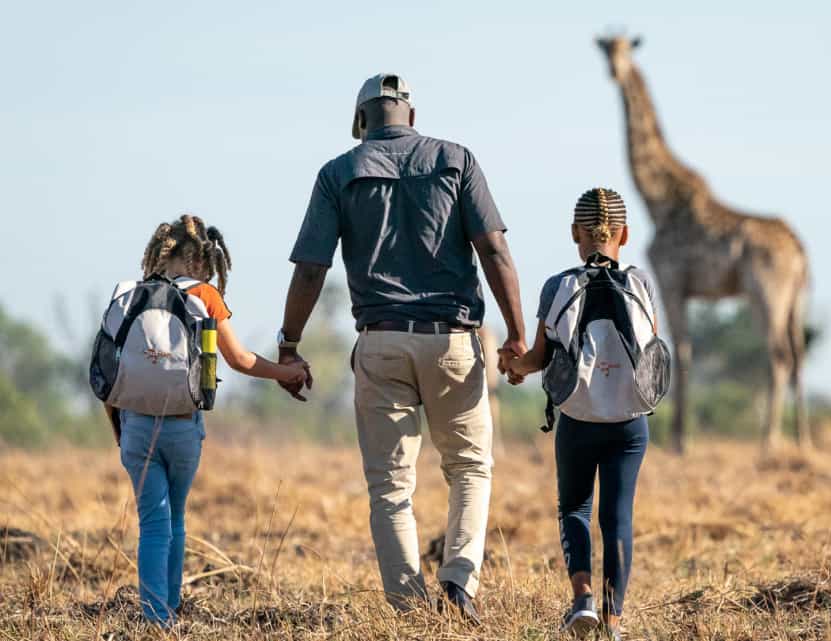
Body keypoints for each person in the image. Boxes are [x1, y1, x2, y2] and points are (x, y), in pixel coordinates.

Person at [278, 73, 526, 621]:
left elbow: (310, 270)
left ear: (361, 122)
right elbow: (495, 251)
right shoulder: (456, 160)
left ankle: (411, 613)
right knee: (469, 469)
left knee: (390, 486)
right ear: (411, 116)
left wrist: (289, 345)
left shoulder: (338, 173)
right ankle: (459, 585)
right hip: (454, 341)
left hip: (381, 342)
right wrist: (516, 335)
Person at [108, 214, 310, 626]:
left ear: (162, 253)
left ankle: (154, 618)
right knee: (175, 517)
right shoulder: (206, 296)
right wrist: (287, 372)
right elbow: (239, 360)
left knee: (152, 522)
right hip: (183, 425)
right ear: (204, 261)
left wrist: (121, 429)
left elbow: (106, 374)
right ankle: (171, 606)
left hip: (134, 425)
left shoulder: (130, 296)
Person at [505, 188, 655, 641]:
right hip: (630, 422)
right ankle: (614, 622)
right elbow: (650, 354)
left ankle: (582, 601)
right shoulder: (641, 283)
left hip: (577, 419)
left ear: (575, 234)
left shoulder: (558, 286)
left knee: (574, 507)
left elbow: (538, 358)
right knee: (618, 517)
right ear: (624, 235)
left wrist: (513, 367)